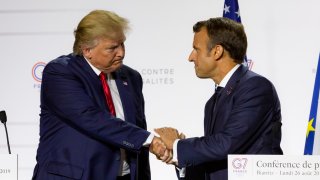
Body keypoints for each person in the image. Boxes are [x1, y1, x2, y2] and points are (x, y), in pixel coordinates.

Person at [32, 10, 169, 180]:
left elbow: (138, 128)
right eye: (112, 48)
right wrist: (149, 140)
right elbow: (90, 118)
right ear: (87, 50)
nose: (121, 53)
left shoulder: (132, 78)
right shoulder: (60, 72)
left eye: (122, 44)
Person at [155, 17, 283, 180]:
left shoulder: (255, 87)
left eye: (196, 49)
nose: (190, 57)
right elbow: (215, 161)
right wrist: (177, 157)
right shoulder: (212, 102)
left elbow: (227, 144)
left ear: (217, 51)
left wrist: (177, 145)